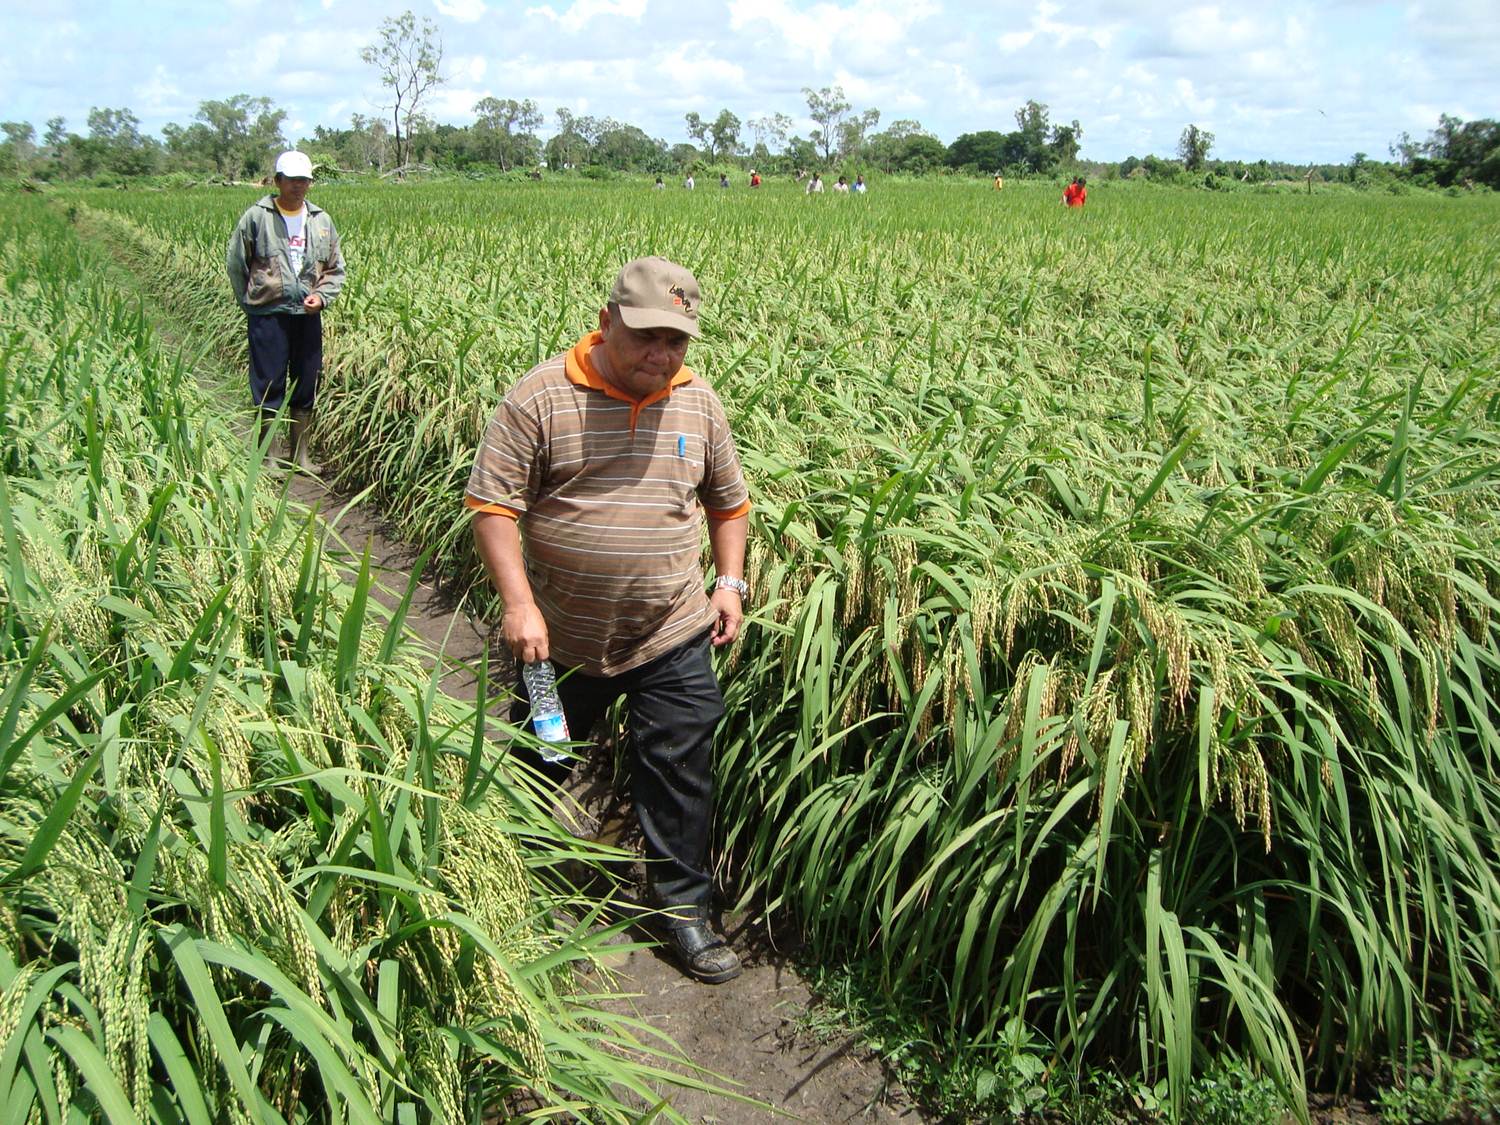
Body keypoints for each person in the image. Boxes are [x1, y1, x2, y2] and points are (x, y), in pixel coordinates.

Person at [466, 257, 751, 985]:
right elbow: (495, 504)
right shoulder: (540, 397)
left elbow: (729, 501)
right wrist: (520, 603)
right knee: (546, 751)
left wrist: (729, 582)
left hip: (671, 630)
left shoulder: (699, 403)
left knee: (681, 760)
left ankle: (682, 907)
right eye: (646, 337)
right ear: (606, 323)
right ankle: (514, 878)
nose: (661, 355)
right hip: (559, 640)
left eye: (677, 341)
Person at [226, 150, 345, 472]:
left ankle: (301, 456)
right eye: (292, 180)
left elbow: (335, 269)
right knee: (269, 384)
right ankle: (269, 457)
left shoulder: (321, 220)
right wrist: (251, 303)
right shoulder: (256, 217)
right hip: (268, 315)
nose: (298, 186)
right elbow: (237, 264)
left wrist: (321, 297)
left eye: (304, 180)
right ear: (277, 181)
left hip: (306, 316)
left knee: (306, 382)